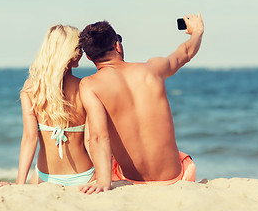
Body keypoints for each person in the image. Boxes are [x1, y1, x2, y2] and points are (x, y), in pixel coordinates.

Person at [78, 14, 204, 194]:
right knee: (182, 158)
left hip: (130, 180)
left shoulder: (90, 85)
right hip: (175, 178)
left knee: (92, 127)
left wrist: (103, 181)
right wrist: (197, 32)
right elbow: (185, 53)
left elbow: (99, 137)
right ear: (117, 45)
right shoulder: (153, 69)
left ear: (89, 58)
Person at [0, 25, 95, 187]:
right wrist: (102, 176)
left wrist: (19, 184)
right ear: (68, 51)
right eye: (78, 47)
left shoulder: (31, 88)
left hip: (44, 177)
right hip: (85, 175)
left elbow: (30, 138)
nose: (82, 52)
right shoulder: (85, 86)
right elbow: (92, 139)